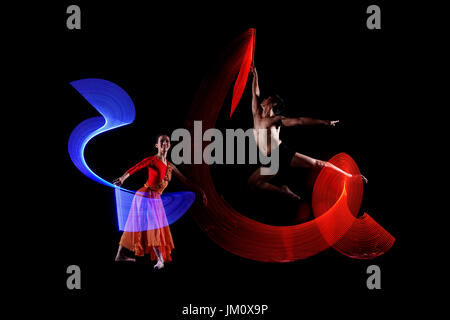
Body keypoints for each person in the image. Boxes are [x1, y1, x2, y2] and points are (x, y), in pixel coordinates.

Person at [248, 66, 367, 200]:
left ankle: (350, 177)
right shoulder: (256, 114)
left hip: (279, 154)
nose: (263, 99)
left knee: (316, 164)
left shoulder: (276, 120)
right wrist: (255, 75)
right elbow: (255, 93)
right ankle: (285, 191)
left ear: (273, 104)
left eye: (267, 98)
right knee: (253, 184)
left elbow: (300, 121)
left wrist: (324, 122)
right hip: (269, 158)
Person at [113, 134, 207, 269]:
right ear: (157, 145)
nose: (164, 143)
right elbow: (136, 168)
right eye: (161, 141)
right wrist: (122, 178)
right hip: (144, 195)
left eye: (167, 141)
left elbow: (185, 180)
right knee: (143, 225)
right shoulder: (152, 160)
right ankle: (157, 260)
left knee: (155, 227)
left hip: (155, 199)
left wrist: (201, 191)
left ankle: (126, 255)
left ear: (169, 145)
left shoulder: (170, 166)